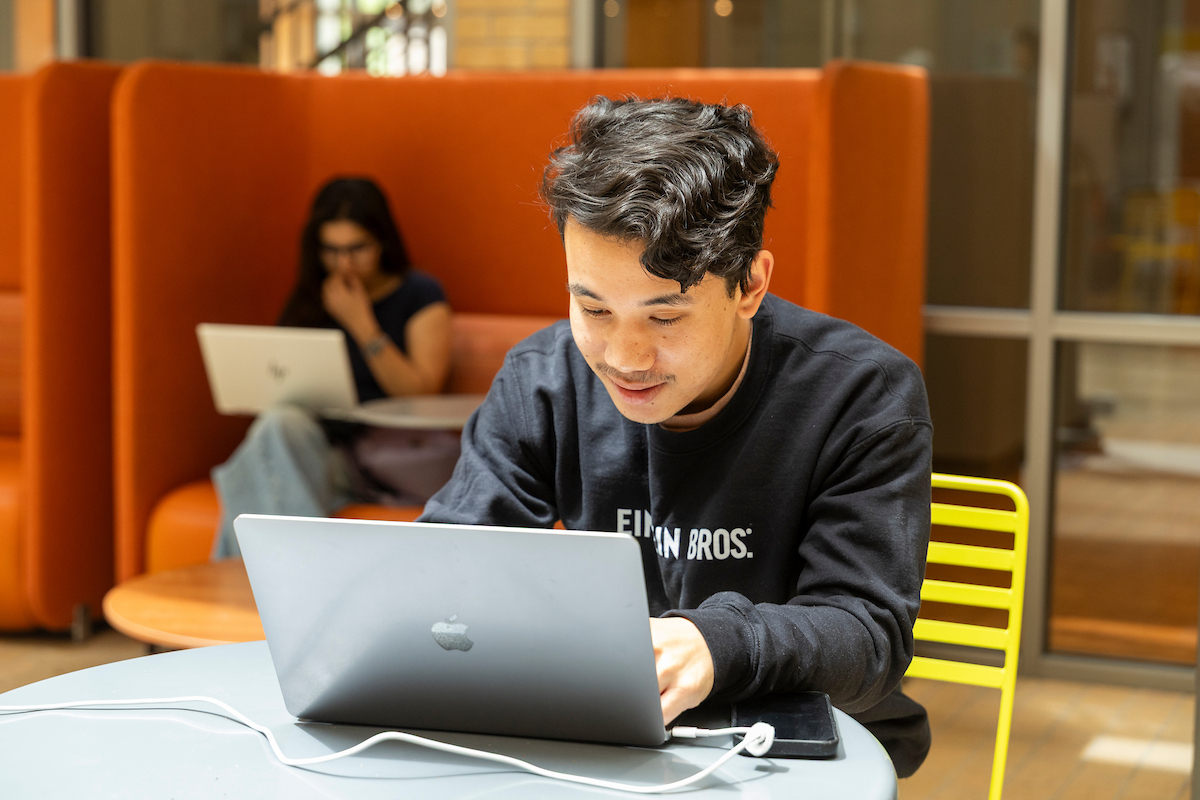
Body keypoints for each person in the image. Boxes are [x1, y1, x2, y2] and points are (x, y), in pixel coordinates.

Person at [418, 97, 934, 776]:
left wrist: (714, 644)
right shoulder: (544, 380)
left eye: (665, 318)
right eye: (593, 307)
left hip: (804, 756)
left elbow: (866, 638)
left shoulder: (861, 396)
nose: (625, 358)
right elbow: (446, 563)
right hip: (608, 743)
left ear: (750, 284)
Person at [211, 177, 455, 560]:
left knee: (261, 455)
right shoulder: (310, 298)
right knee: (276, 426)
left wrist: (361, 324)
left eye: (357, 248)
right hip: (321, 445)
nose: (344, 263)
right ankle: (290, 581)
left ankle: (239, 591)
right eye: (331, 250)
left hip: (388, 451)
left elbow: (420, 393)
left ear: (382, 242)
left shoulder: (421, 295)